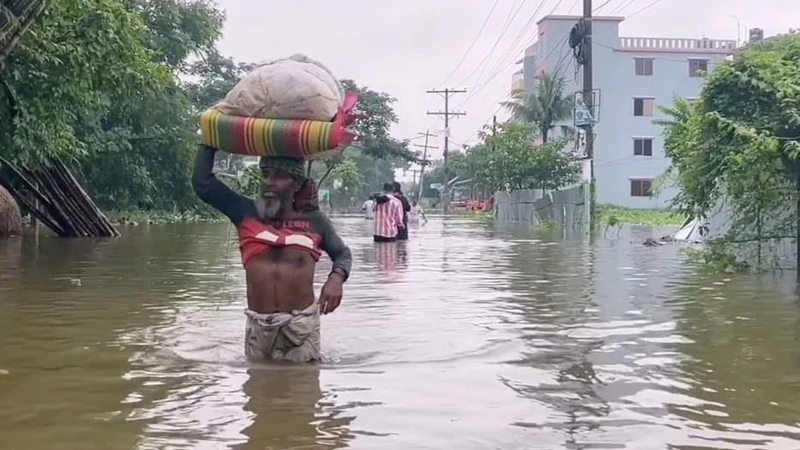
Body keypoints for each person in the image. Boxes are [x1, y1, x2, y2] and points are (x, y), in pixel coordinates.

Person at [192, 145, 352, 363]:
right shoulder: (244, 212)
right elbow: (203, 185)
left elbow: (342, 253)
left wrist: (336, 278)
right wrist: (209, 142)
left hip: (300, 328)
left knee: (303, 392)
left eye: (279, 177)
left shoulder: (315, 221)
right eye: (266, 174)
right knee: (258, 392)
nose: (269, 181)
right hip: (259, 328)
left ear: (296, 183)